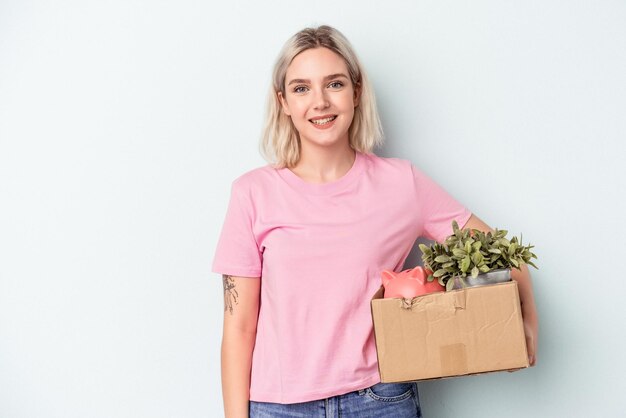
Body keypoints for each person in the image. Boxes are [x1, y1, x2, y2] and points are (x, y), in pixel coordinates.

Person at [212, 25, 538, 418]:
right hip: (279, 406)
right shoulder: (252, 193)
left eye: (333, 84)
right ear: (282, 101)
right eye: (301, 88)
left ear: (356, 90)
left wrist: (527, 317)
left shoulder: (401, 184)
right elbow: (239, 327)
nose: (319, 102)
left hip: (379, 400)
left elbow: (502, 253)